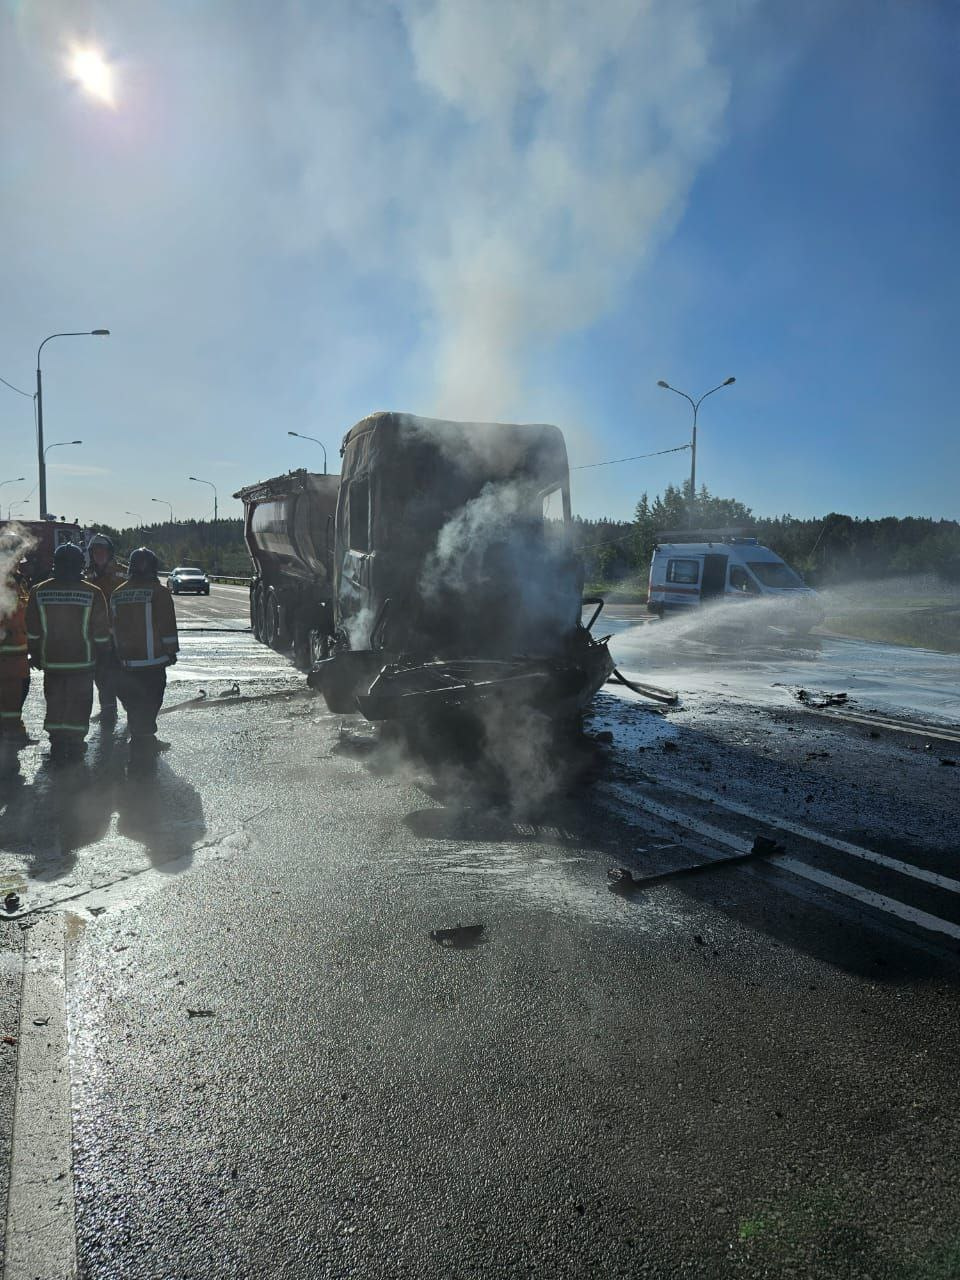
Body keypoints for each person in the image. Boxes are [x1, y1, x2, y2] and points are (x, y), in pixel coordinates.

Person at [25, 543, 111, 763]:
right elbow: (101, 632)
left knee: (55, 703)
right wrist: (104, 656)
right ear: (81, 565)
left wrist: (34, 653)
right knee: (80, 704)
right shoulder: (93, 592)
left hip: (52, 662)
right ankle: (74, 743)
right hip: (83, 663)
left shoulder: (39, 591)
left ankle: (57, 742)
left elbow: (33, 629)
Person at [110, 547, 179, 763]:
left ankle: (140, 736)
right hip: (153, 662)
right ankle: (145, 740)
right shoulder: (158, 593)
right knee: (151, 701)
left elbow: (112, 628)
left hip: (127, 662)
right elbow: (167, 626)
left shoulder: (117, 593)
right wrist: (171, 652)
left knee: (133, 701)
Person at [84, 533, 126, 727]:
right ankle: (108, 710)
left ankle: (135, 717)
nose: (99, 554)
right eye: (95, 551)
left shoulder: (123, 573)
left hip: (120, 636)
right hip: (96, 636)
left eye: (103, 550)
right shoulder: (86, 575)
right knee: (101, 676)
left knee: (122, 678)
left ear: (110, 553)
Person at [0, 560, 32, 745]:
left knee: (16, 699)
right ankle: (10, 738)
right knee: (9, 701)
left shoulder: (18, 582)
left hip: (18, 656)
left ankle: (14, 733)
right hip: (7, 657)